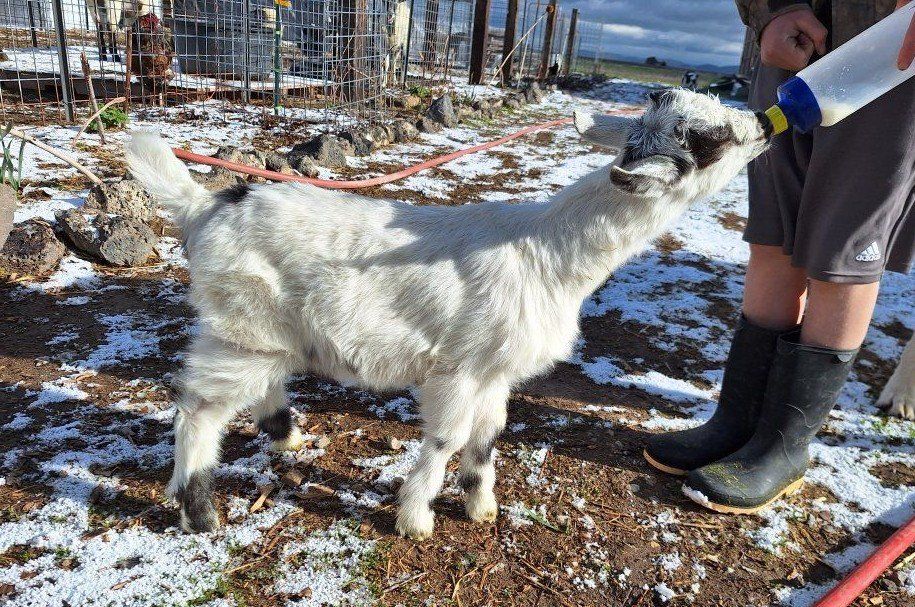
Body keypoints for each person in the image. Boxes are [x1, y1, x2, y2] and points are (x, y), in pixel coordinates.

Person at [642, 0, 915, 514]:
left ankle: (782, 446)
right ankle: (738, 422)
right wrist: (769, 11)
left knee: (844, 249)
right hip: (795, 39)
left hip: (896, 48)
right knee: (772, 234)